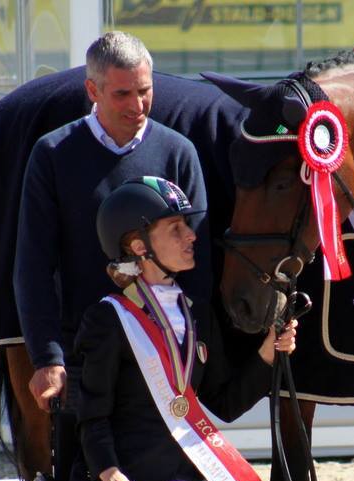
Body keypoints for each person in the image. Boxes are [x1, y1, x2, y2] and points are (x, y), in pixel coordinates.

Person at [68, 176, 297, 481]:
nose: (191, 236)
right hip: (105, 480)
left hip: (171, 477)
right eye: (175, 228)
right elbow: (90, 410)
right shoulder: (107, 319)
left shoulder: (196, 314)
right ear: (139, 246)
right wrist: (107, 470)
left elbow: (225, 402)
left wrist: (268, 353)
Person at [14, 31, 212, 415]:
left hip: (165, 356)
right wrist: (47, 357)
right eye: (122, 94)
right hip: (81, 357)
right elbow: (33, 265)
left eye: (144, 91)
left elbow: (199, 263)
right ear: (93, 89)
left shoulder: (179, 153)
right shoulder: (52, 154)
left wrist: (194, 348)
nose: (137, 105)